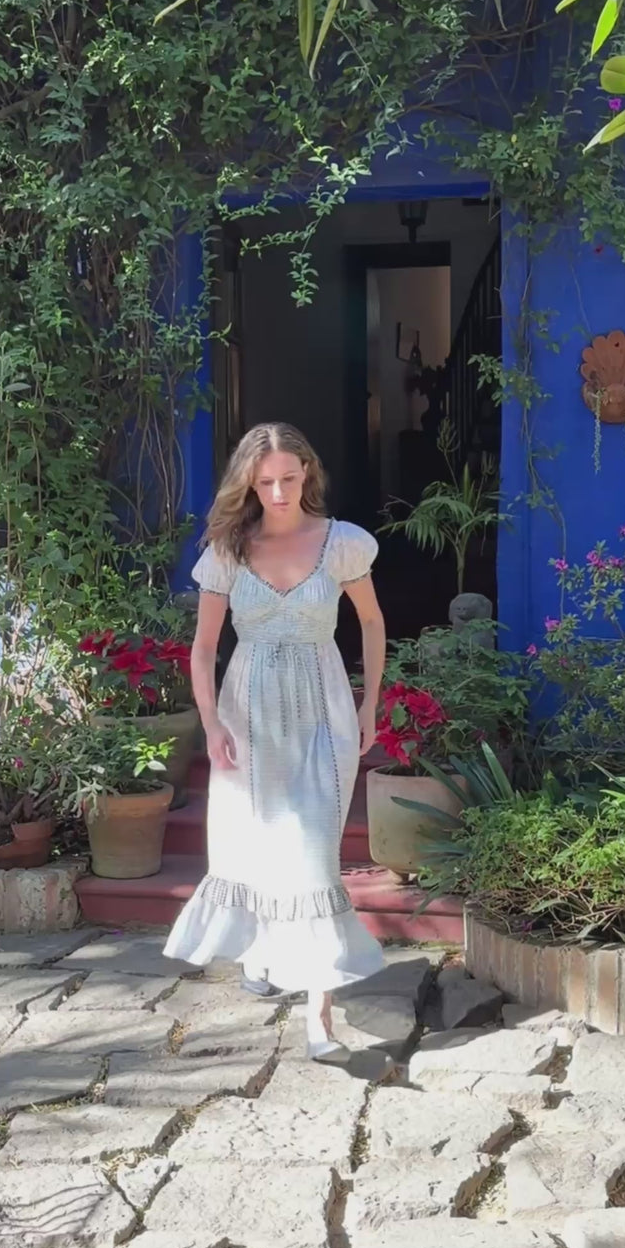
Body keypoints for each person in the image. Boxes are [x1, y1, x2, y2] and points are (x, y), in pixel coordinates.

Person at [163, 422, 386, 1062]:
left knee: (314, 851)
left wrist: (371, 702)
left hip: (323, 707)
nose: (280, 492)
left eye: (290, 478)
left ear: (308, 473)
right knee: (259, 844)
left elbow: (371, 623)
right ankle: (262, 947)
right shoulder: (229, 551)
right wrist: (210, 725)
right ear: (249, 484)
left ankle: (320, 1016)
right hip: (249, 710)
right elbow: (203, 651)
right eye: (266, 482)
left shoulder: (341, 543)